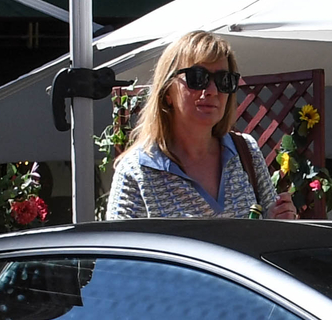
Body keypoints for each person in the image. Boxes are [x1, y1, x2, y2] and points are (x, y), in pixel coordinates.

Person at [105, 31, 297, 221]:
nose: (212, 90)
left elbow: (268, 232)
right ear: (167, 92)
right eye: (197, 78)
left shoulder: (246, 151)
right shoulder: (136, 171)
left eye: (224, 80)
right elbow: (115, 249)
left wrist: (278, 219)